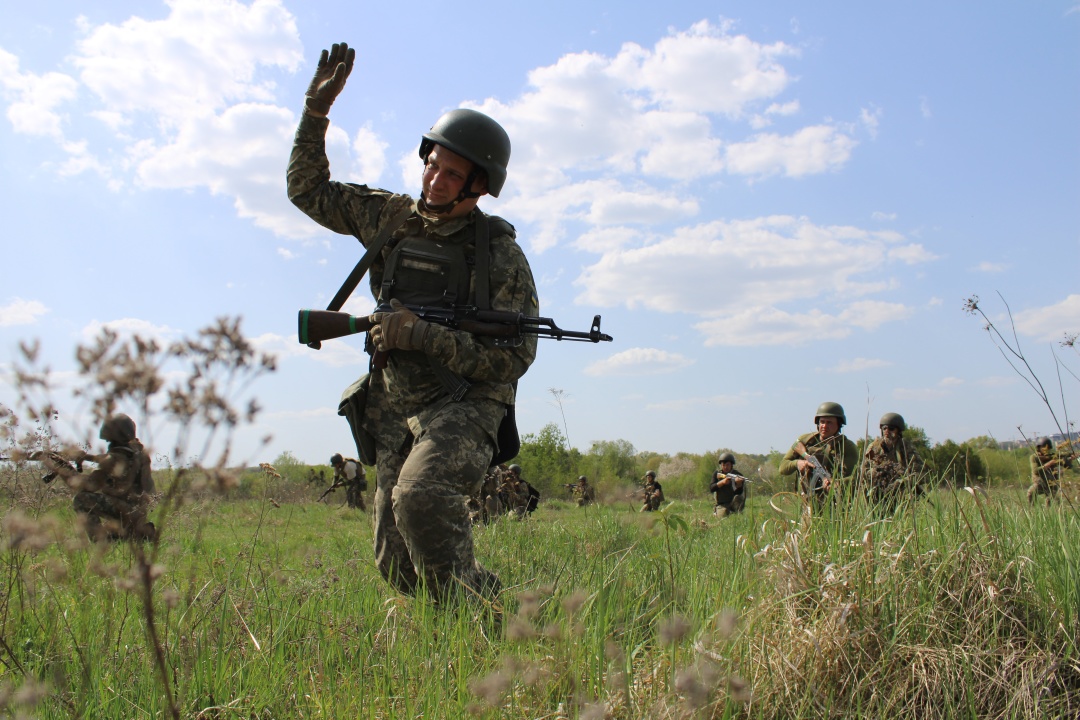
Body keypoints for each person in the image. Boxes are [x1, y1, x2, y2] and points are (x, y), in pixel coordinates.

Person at [288, 43, 538, 603]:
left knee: (420, 498)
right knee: (393, 561)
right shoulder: (389, 217)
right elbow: (306, 191)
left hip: (465, 403)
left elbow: (514, 357)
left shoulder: (498, 255)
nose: (436, 180)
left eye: (453, 173)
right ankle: (443, 626)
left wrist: (428, 336)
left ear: (480, 185)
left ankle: (484, 619)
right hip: (394, 401)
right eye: (432, 164)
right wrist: (315, 113)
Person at [72, 414, 156, 542]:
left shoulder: (115, 459)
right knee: (115, 531)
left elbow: (89, 485)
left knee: (81, 499)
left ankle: (100, 540)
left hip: (123, 509)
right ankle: (137, 533)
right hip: (138, 511)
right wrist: (88, 457)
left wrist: (63, 468)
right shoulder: (139, 455)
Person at [779, 402, 858, 507]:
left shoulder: (847, 447)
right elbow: (782, 468)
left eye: (829, 422)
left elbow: (856, 478)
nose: (824, 426)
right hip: (808, 503)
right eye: (822, 422)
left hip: (836, 505)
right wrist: (798, 463)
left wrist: (837, 483)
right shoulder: (806, 441)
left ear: (839, 424)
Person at [860, 412, 926, 511]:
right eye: (884, 428)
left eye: (891, 428)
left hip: (902, 494)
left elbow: (920, 472)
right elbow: (864, 472)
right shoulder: (874, 447)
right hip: (878, 492)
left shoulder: (906, 448)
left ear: (898, 430)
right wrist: (876, 474)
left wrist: (904, 480)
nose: (887, 431)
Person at [1028, 437, 1074, 506]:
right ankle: (1033, 510)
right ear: (1039, 448)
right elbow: (1036, 471)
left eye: (1048, 448)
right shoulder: (1034, 457)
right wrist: (1049, 464)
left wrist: (1070, 459)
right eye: (1043, 447)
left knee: (1052, 502)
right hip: (1040, 483)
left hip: (1052, 484)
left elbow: (1067, 466)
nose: (1046, 449)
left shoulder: (1054, 456)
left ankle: (1052, 514)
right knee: (1030, 493)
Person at [709, 452, 746, 517]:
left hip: (734, 503)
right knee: (723, 515)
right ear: (721, 465)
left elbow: (739, 492)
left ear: (731, 465)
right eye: (723, 465)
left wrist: (738, 484)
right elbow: (712, 488)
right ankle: (716, 513)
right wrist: (722, 482)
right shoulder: (717, 474)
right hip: (722, 504)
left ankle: (736, 512)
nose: (725, 467)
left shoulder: (738, 475)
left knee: (735, 514)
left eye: (728, 465)